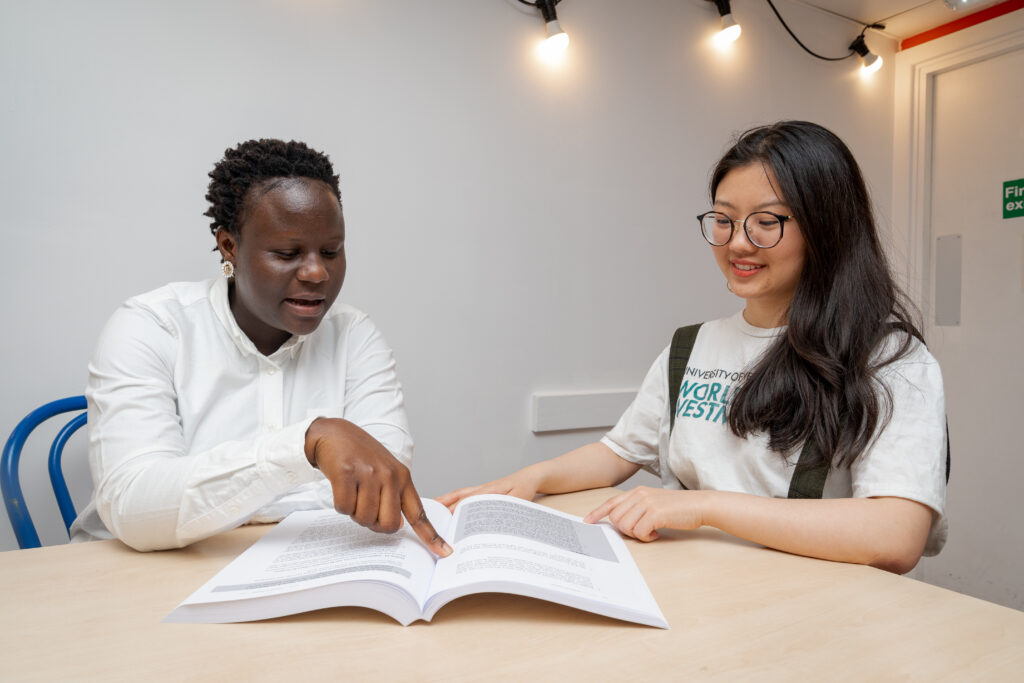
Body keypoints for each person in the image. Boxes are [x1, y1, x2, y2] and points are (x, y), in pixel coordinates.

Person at [439, 121, 946, 574]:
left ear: (827, 230)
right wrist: (530, 480)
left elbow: (896, 536)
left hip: (805, 612)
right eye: (723, 219)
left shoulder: (889, 361)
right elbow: (619, 451)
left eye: (767, 222)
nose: (738, 244)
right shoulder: (693, 345)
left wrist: (706, 508)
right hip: (692, 589)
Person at [71, 139, 451, 556]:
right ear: (229, 246)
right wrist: (307, 444)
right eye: (287, 253)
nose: (316, 272)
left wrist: (209, 498)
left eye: (331, 251)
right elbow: (135, 509)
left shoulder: (354, 335)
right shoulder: (150, 328)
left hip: (297, 563)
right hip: (132, 578)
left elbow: (382, 483)